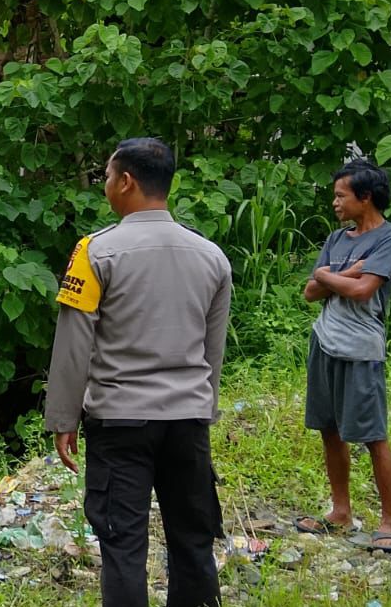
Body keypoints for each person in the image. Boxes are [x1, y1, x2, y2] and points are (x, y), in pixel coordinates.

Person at [45, 138, 232, 607]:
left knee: (123, 545)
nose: (105, 186)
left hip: (120, 422)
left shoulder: (94, 252)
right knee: (193, 541)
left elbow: (74, 345)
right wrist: (203, 408)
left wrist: (63, 419)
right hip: (187, 421)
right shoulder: (212, 256)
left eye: (108, 177)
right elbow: (212, 351)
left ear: (126, 181)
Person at [295, 158, 391, 553]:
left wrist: (326, 275)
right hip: (324, 340)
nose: (335, 203)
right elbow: (310, 293)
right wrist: (342, 274)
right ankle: (340, 512)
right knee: (329, 429)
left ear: (366, 197)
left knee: (373, 435)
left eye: (341, 196)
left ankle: (390, 521)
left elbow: (363, 292)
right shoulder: (337, 238)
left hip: (361, 347)